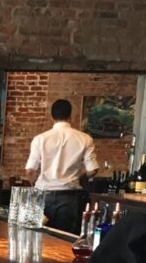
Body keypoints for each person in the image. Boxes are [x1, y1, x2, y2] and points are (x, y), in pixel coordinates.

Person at [25, 99, 98, 234]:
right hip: (69, 198)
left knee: (38, 238)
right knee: (64, 241)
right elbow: (92, 170)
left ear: (51, 116)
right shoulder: (85, 139)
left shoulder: (40, 139)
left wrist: (35, 184)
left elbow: (30, 171)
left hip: (42, 197)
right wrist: (79, 177)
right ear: (71, 116)